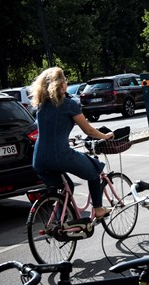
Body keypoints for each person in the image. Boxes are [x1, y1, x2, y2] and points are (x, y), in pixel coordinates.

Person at [31, 67, 114, 219]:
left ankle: (59, 222)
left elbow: (51, 130)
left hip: (39, 159)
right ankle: (99, 209)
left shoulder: (40, 105)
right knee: (95, 171)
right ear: (60, 84)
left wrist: (64, 138)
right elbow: (88, 131)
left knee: (65, 188)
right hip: (60, 155)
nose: (66, 83)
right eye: (65, 81)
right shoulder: (68, 104)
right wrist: (106, 136)